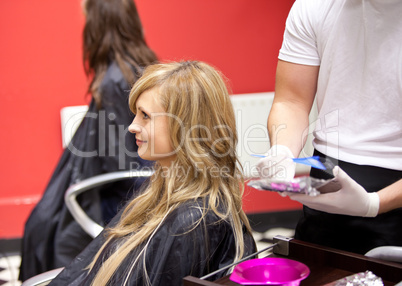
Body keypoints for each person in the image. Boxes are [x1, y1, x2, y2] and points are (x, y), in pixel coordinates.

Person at [48, 61, 257, 285]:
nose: (132, 126)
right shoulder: (159, 188)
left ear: (186, 128)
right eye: (136, 114)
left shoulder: (193, 222)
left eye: (145, 116)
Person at [19, 0, 158, 281]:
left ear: (97, 26)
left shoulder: (115, 80)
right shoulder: (144, 66)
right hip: (129, 182)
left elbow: (119, 161)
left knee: (43, 227)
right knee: (43, 221)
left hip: (120, 192)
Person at [258, 0, 402, 255]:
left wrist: (373, 203)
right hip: (328, 177)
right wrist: (282, 152)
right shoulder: (315, 6)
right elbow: (291, 100)